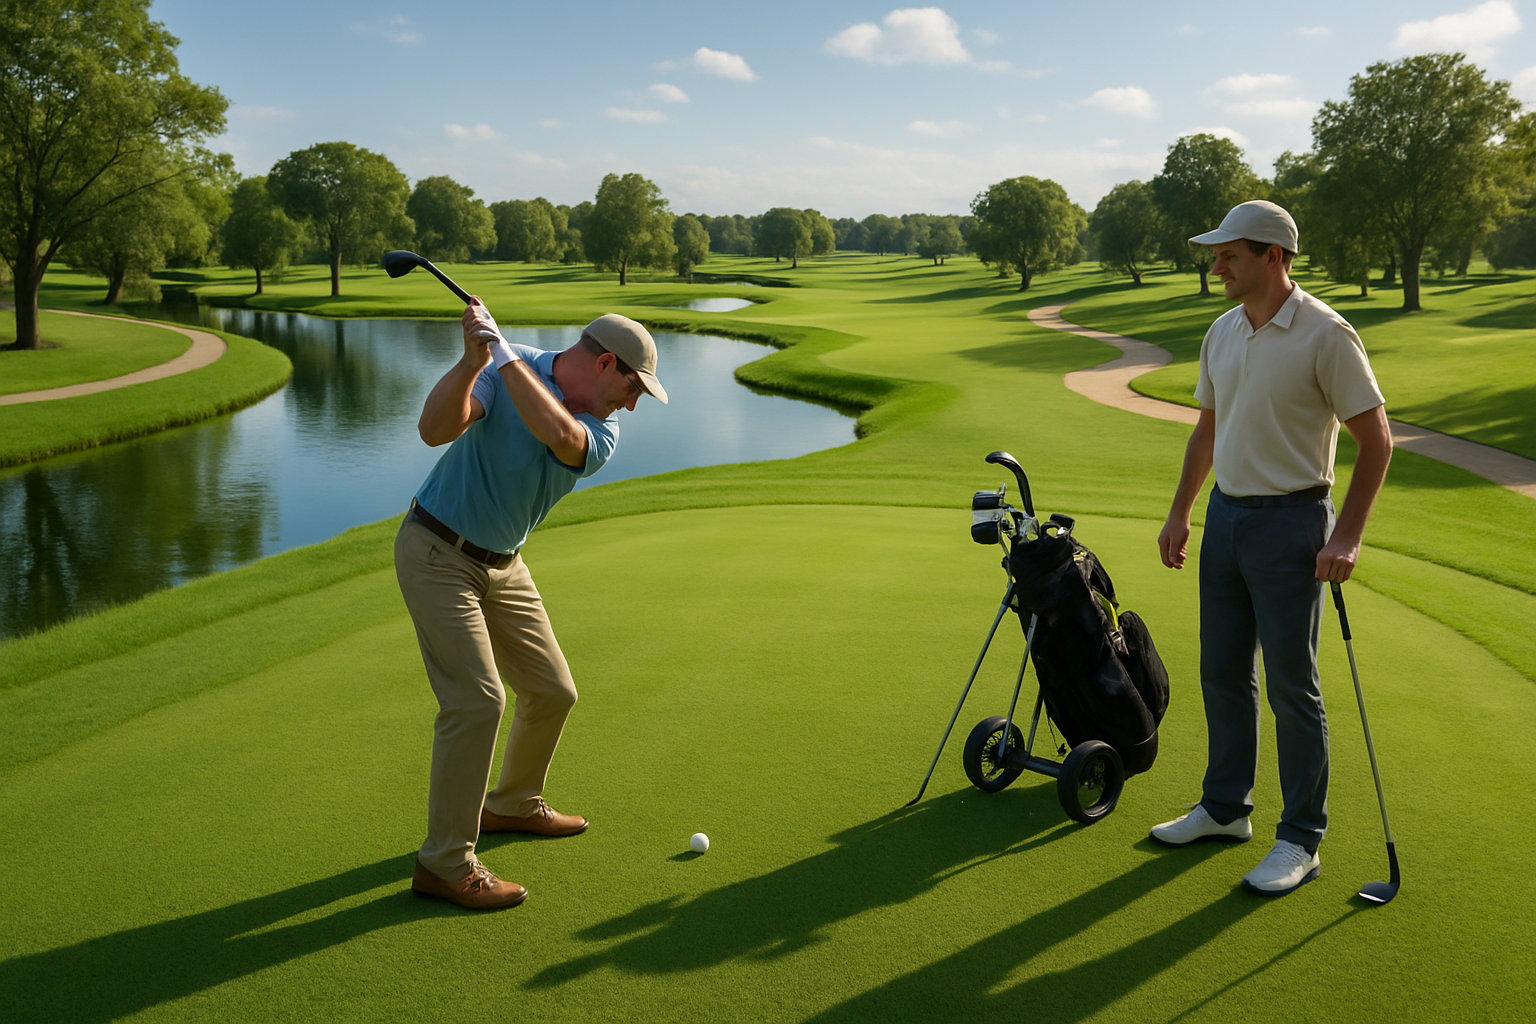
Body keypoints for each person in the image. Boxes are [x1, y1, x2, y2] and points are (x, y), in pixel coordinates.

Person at [1150, 200, 1393, 897]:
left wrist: (1346, 534)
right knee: (1222, 673)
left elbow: (1377, 442)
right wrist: (1181, 512)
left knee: (1292, 687)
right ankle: (1225, 809)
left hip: (1293, 523)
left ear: (1274, 257)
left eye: (1230, 254)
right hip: (1226, 518)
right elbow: (1206, 430)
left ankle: (1301, 839)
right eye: (1217, 253)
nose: (1217, 264)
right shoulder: (1223, 331)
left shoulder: (1327, 335)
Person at [395, 300, 667, 910]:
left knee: (552, 691)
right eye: (633, 388)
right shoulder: (498, 368)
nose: (631, 404)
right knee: (478, 700)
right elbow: (434, 430)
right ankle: (445, 863)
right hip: (437, 552)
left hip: (504, 563)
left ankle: (512, 803)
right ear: (605, 363)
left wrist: (503, 352)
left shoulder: (599, 428)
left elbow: (559, 435)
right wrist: (472, 362)